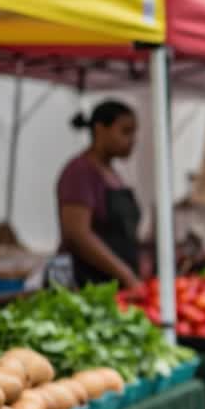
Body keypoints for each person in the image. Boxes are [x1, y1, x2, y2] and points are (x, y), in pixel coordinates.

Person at [57, 100, 143, 288]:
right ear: (100, 129)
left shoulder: (114, 174)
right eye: (125, 131)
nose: (132, 140)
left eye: (134, 133)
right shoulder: (79, 172)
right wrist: (125, 274)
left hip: (115, 285)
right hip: (86, 286)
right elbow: (77, 234)